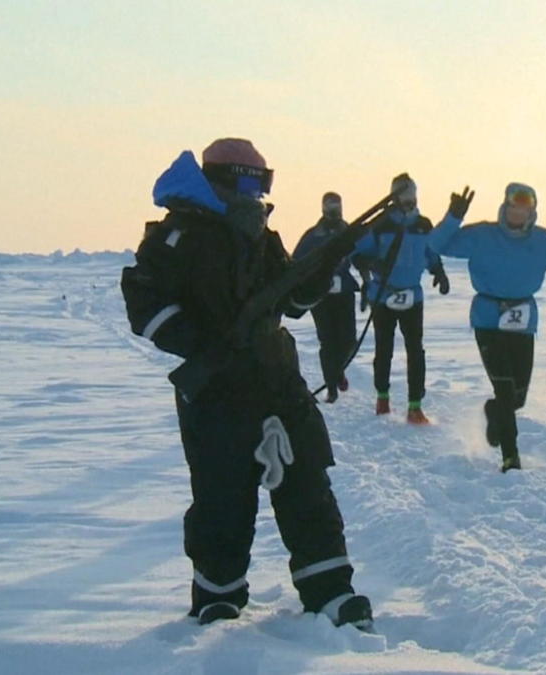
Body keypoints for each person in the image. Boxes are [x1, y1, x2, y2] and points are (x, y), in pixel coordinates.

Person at [120, 138, 372, 628]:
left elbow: (292, 303)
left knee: (308, 485)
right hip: (216, 393)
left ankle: (330, 592)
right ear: (224, 180)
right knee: (222, 497)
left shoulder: (262, 235)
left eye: (264, 184)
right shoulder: (176, 236)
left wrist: (325, 267)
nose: (259, 195)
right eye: (251, 182)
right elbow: (143, 301)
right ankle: (219, 593)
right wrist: (202, 344)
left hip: (279, 382)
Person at [427, 183, 546, 472]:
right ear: (505, 208)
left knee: (517, 397)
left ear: (532, 212)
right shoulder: (482, 235)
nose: (518, 214)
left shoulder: (542, 241)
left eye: (525, 210)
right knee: (504, 389)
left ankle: (496, 412)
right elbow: (437, 244)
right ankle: (510, 456)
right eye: (514, 208)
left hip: (523, 320)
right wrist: (454, 216)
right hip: (488, 319)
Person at [352, 173, 450, 424]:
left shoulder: (423, 225)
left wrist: (438, 270)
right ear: (394, 197)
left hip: (412, 296)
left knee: (415, 350)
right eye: (404, 195)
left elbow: (430, 252)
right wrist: (374, 264)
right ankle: (382, 398)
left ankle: (414, 406)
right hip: (383, 296)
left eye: (412, 195)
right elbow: (358, 254)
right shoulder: (381, 225)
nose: (409, 200)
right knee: (384, 348)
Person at [293, 192, 360, 403]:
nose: (335, 212)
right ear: (323, 209)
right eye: (331, 208)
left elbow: (360, 255)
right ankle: (331, 386)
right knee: (328, 341)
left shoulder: (349, 232)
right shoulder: (313, 236)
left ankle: (337, 371)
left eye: (337, 207)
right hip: (320, 295)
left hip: (345, 292)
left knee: (349, 340)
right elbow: (296, 261)